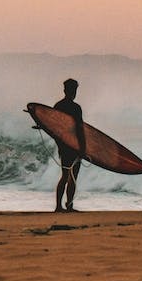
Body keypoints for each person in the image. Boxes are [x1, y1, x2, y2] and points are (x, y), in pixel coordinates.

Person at [54, 78, 86, 212]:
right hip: (74, 146)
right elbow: (80, 129)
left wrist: (60, 144)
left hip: (63, 145)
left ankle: (58, 206)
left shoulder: (58, 106)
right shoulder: (76, 108)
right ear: (74, 91)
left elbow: (53, 126)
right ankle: (69, 206)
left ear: (64, 90)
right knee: (73, 176)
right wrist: (83, 148)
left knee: (65, 175)